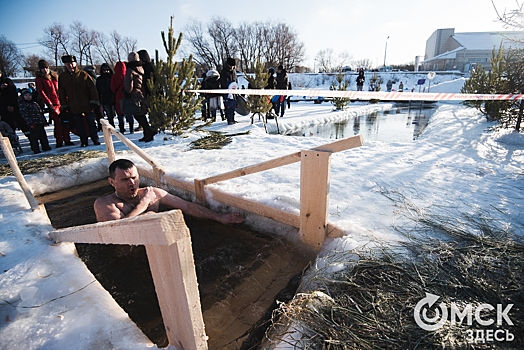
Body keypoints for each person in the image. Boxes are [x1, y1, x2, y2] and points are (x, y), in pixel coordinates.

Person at [94, 158, 244, 224]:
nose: (132, 183)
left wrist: (219, 217)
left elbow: (188, 207)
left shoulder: (151, 192)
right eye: (125, 180)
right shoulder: (105, 204)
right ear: (112, 182)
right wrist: (145, 204)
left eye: (134, 177)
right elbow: (120, 232)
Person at [58, 55, 101, 147]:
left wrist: (94, 101)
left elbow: (92, 89)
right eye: (67, 64)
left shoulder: (83, 75)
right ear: (65, 65)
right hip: (73, 105)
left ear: (75, 63)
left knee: (91, 122)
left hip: (86, 104)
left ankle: (95, 138)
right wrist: (64, 105)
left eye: (71, 63)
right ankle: (83, 140)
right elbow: (61, 92)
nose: (70, 65)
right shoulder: (63, 77)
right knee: (79, 124)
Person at [35, 59, 74, 148]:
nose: (45, 70)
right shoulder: (40, 79)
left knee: (66, 121)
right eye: (43, 68)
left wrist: (67, 100)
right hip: (53, 104)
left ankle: (67, 139)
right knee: (58, 123)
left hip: (62, 102)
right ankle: (59, 141)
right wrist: (49, 104)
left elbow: (63, 89)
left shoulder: (54, 76)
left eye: (46, 68)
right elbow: (41, 92)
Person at [125, 52, 155, 142]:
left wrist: (127, 92)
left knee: (138, 115)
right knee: (141, 115)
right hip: (142, 94)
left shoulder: (130, 70)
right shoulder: (141, 68)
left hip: (134, 95)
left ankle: (148, 132)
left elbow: (129, 85)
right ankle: (147, 134)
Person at [18, 88, 51, 154]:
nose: (28, 97)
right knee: (34, 137)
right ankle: (35, 149)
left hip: (39, 122)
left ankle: (45, 146)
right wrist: (30, 122)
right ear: (23, 96)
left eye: (29, 95)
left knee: (43, 135)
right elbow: (25, 115)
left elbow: (39, 112)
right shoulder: (23, 105)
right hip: (32, 123)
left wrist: (44, 120)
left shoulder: (34, 103)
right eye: (26, 95)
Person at [0, 70, 29, 136]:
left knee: (21, 123)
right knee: (7, 125)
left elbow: (12, 93)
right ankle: (12, 140)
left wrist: (11, 104)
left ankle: (31, 139)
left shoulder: (7, 81)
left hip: (11, 106)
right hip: (2, 109)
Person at [111, 61, 134, 134]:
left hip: (118, 96)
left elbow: (112, 88)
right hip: (127, 96)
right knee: (129, 112)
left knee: (120, 114)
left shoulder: (114, 76)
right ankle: (131, 128)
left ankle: (122, 129)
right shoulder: (127, 74)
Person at [96, 63, 116, 128]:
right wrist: (99, 98)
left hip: (114, 97)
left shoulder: (113, 77)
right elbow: (98, 89)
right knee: (109, 114)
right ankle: (112, 126)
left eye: (107, 70)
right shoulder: (99, 79)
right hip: (105, 99)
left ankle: (122, 126)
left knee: (117, 113)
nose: (106, 71)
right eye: (104, 70)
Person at [220, 57, 238, 125]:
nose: (232, 67)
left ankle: (232, 118)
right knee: (228, 105)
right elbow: (223, 82)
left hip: (233, 90)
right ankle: (229, 119)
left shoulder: (233, 71)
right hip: (227, 91)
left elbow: (235, 79)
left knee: (233, 105)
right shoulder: (224, 72)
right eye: (231, 66)